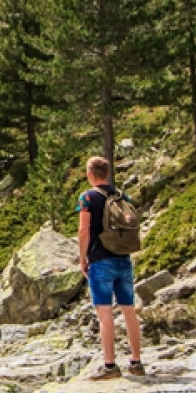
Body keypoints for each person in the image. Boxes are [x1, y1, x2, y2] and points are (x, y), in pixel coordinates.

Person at [76, 156, 145, 380]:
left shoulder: (87, 197)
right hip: (123, 258)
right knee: (129, 310)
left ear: (90, 174)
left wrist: (82, 257)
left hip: (100, 260)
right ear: (106, 174)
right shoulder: (120, 196)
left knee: (104, 313)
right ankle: (136, 362)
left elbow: (83, 231)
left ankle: (110, 366)